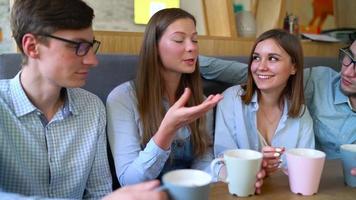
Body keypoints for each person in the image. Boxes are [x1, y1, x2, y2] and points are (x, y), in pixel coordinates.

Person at [0, 0, 166, 199]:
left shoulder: (92, 108)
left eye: (90, 46)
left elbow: (99, 193)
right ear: (32, 46)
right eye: (78, 46)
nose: (92, 60)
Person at [201, 39, 356, 177]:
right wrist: (188, 59)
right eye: (349, 56)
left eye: (272, 58)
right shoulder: (318, 80)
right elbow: (258, 75)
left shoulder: (301, 114)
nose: (348, 72)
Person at [106, 8, 223, 187]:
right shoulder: (122, 99)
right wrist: (167, 130)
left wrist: (227, 173)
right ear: (154, 46)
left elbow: (202, 163)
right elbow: (129, 181)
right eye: (178, 39)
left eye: (195, 39)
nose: (191, 47)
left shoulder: (201, 100)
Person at [214, 29, 315, 176]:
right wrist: (255, 166)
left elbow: (306, 168)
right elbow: (222, 160)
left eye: (273, 58)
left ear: (294, 67)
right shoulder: (231, 99)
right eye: (256, 58)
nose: (261, 67)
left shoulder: (301, 113)